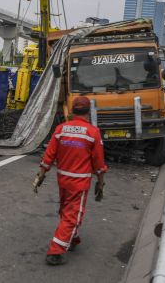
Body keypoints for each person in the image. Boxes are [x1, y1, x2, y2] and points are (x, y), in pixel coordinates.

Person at [32, 96, 108, 266]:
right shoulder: (92, 132)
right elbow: (99, 162)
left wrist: (40, 176)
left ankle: (72, 238)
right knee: (73, 216)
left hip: (63, 180)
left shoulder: (61, 129)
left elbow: (49, 156)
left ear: (72, 110)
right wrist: (101, 183)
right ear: (89, 111)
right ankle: (55, 251)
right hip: (79, 183)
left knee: (67, 210)